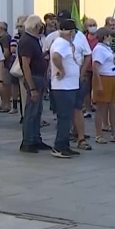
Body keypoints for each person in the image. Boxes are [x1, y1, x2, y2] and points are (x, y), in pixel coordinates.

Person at [18, 15, 51, 153]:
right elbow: (26, 65)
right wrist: (32, 87)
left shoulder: (33, 40)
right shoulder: (27, 41)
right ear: (36, 26)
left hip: (39, 77)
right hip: (34, 78)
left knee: (37, 111)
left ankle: (35, 138)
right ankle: (28, 141)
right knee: (31, 111)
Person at [49, 19, 82, 158]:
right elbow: (56, 56)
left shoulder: (65, 43)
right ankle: (60, 146)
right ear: (71, 32)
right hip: (64, 87)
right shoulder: (61, 43)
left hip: (70, 86)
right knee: (64, 117)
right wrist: (61, 70)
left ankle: (64, 145)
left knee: (67, 117)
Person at [91, 28, 115, 146]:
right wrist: (98, 84)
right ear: (105, 37)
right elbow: (95, 67)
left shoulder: (107, 48)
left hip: (112, 77)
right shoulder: (99, 49)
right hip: (104, 77)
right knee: (101, 108)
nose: (111, 38)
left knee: (113, 107)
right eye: (110, 36)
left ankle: (114, 133)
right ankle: (98, 134)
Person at [0, 21, 14, 113]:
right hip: (6, 64)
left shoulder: (4, 38)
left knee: (5, 85)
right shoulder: (5, 37)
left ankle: (6, 105)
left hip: (5, 65)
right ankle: (3, 104)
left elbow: (6, 52)